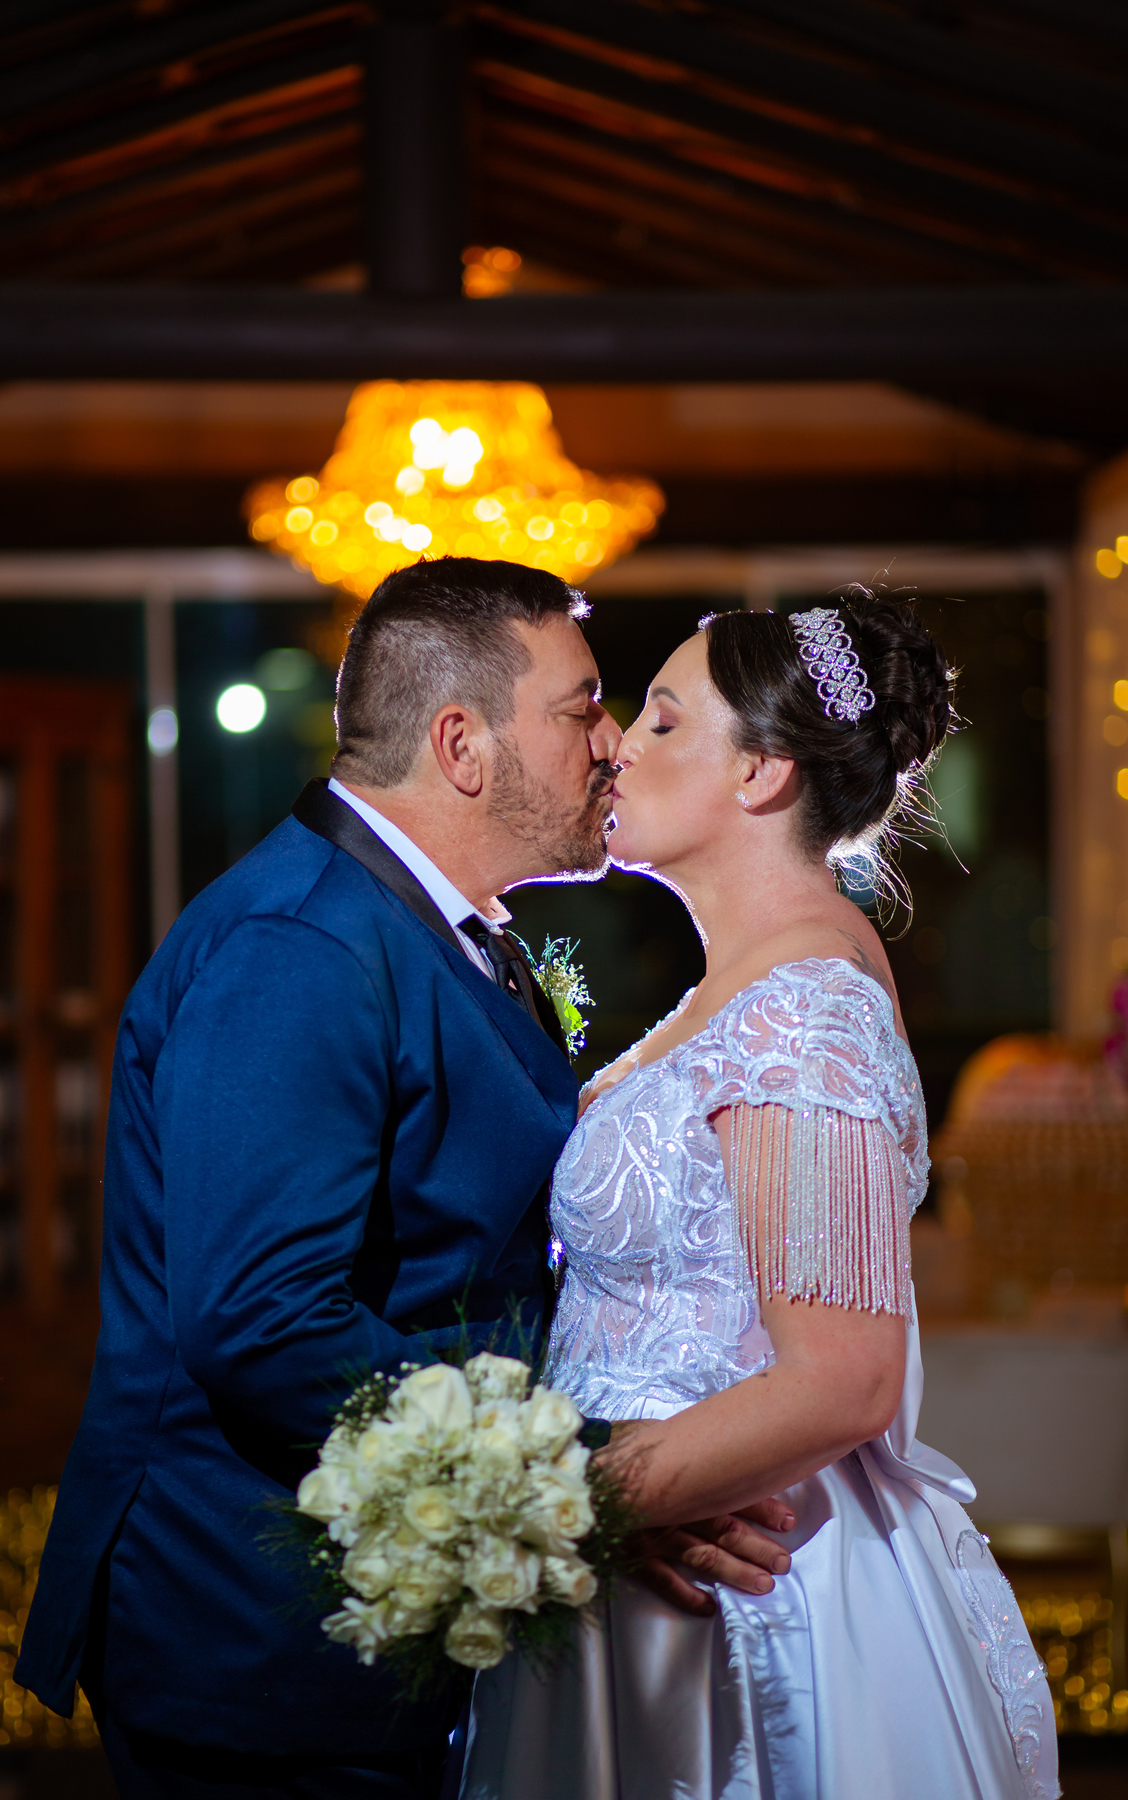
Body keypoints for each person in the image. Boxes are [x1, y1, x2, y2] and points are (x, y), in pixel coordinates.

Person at [15, 559, 789, 1800]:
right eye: (581, 709)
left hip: (385, 1630)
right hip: (262, 1640)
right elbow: (263, 1321)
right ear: (461, 745)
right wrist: (583, 1476)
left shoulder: (440, 929)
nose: (610, 745)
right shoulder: (298, 948)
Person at [462, 594, 1059, 1800]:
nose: (619, 746)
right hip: (650, 1563)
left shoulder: (806, 1007)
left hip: (746, 1594)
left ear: (763, 772)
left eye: (664, 720)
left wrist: (556, 1500)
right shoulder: (737, 990)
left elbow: (843, 1379)